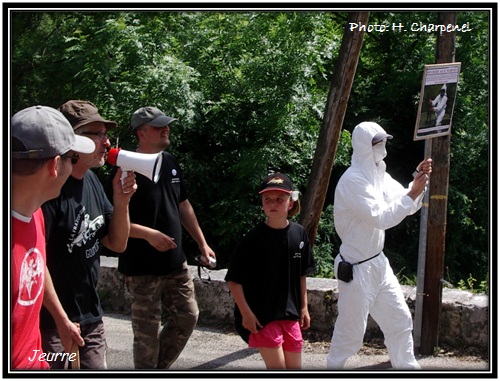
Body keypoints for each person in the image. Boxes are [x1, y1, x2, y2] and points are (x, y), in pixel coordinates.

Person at [109, 106, 216, 369]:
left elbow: (183, 205)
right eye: (159, 126)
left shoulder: (169, 161)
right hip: (141, 267)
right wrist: (148, 235)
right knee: (146, 337)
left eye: (166, 124)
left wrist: (202, 243)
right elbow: (111, 223)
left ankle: (156, 370)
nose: (166, 129)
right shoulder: (123, 168)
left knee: (188, 317)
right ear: (141, 133)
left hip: (174, 262)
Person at [325, 121, 432, 370]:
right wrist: (412, 193)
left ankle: (406, 368)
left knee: (399, 320)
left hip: (378, 263)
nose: (382, 147)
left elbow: (406, 202)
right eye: (377, 143)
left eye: (384, 141)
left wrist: (419, 180)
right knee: (350, 335)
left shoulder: (379, 174)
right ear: (363, 146)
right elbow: (382, 217)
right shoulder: (353, 181)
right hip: (356, 268)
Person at [39, 100, 137, 369]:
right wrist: (60, 320)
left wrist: (122, 201)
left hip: (91, 319)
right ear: (72, 141)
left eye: (106, 134)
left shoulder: (92, 180)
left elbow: (116, 244)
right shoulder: (50, 190)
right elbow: (36, 261)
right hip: (51, 326)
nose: (106, 143)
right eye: (97, 134)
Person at [11, 105, 93, 369]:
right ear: (55, 165)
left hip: (37, 360)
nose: (75, 165)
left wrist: (61, 318)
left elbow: (34, 265)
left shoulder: (33, 210)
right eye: (73, 157)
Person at [225, 173, 316, 369]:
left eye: (279, 199)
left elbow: (302, 273)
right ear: (262, 203)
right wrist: (246, 314)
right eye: (268, 199)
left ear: (290, 203)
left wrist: (304, 307)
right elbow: (234, 280)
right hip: (262, 316)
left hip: (290, 315)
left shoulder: (299, 233)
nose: (273, 204)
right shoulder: (252, 239)